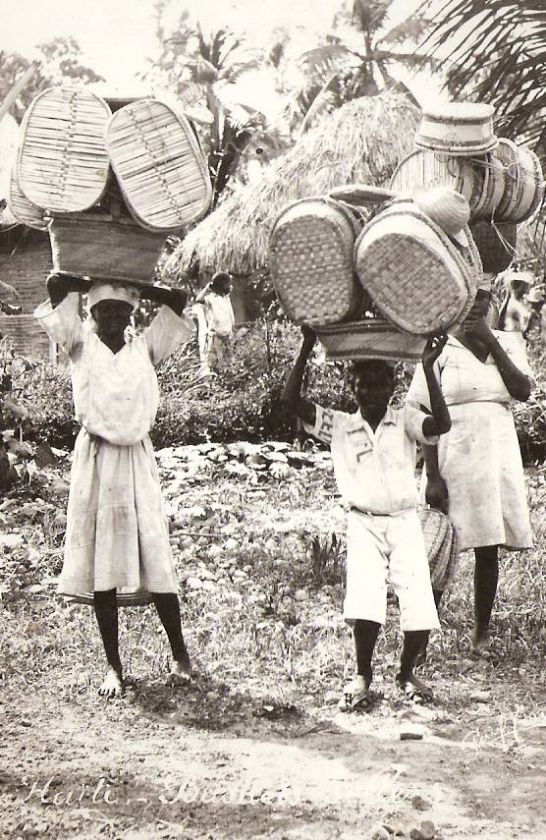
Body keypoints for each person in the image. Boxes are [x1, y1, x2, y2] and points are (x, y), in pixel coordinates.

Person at [35, 273, 195, 698]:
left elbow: (179, 300)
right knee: (102, 558)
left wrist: (134, 284)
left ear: (131, 313)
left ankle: (180, 655)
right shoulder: (79, 344)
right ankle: (114, 666)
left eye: (120, 310)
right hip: (98, 459)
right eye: (103, 309)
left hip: (137, 459)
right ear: (92, 312)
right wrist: (87, 278)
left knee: (155, 551)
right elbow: (55, 287)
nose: (112, 317)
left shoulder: (144, 347)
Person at [282, 327, 451, 710]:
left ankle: (407, 672)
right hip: (363, 521)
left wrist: (427, 366)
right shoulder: (339, 425)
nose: (372, 391)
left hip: (405, 518)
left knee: (419, 597)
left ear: (393, 383)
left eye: (380, 382)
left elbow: (440, 425)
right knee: (365, 599)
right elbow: (290, 400)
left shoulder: (405, 420)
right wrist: (307, 344)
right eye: (364, 383)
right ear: (352, 386)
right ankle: (363, 674)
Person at [407, 287, 533, 656]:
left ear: (493, 306)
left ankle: (481, 633)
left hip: (496, 455)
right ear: (455, 303)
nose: (475, 310)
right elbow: (420, 411)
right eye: (468, 303)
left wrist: (490, 341)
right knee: (442, 545)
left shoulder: (507, 343)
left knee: (488, 546)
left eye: (482, 303)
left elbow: (523, 389)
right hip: (454, 453)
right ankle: (423, 635)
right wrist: (431, 474)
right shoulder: (439, 348)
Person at [195, 271, 235, 375]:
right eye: (228, 284)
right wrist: (206, 289)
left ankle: (225, 384)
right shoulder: (211, 299)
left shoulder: (226, 298)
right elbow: (198, 300)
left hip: (227, 336)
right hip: (215, 338)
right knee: (213, 363)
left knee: (227, 364)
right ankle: (214, 385)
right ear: (222, 285)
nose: (230, 286)